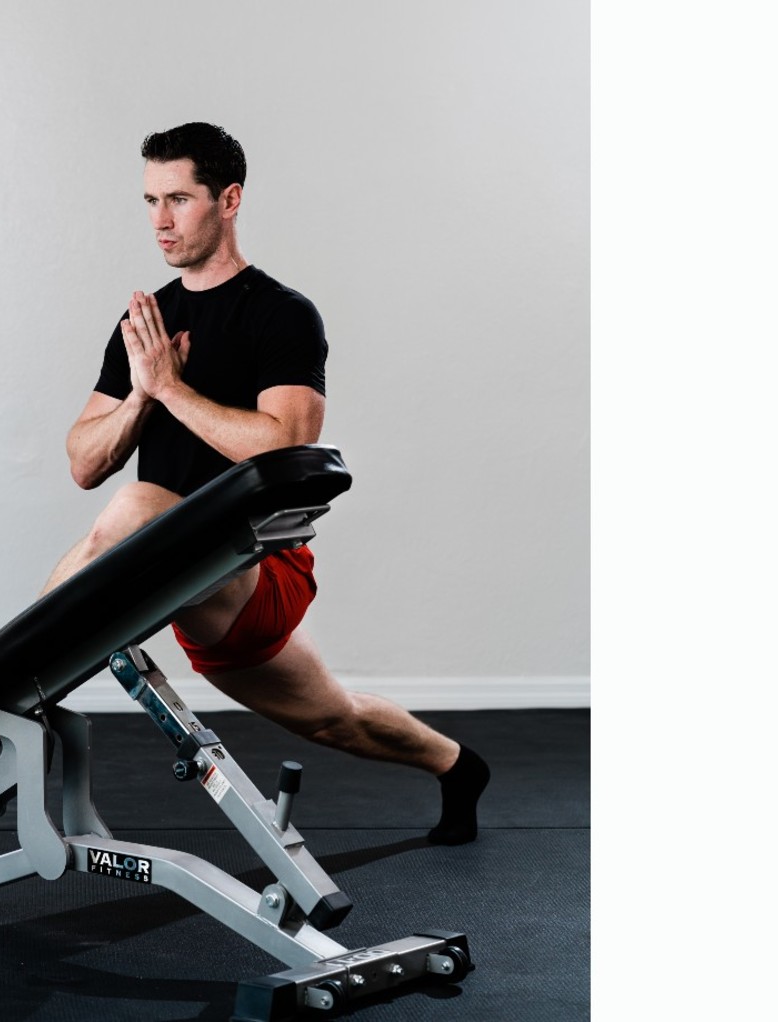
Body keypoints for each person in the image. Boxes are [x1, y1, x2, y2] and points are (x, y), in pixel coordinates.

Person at [42, 122, 489, 845]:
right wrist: (139, 397)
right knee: (333, 717)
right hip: (174, 581)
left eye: (180, 199)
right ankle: (458, 765)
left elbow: (287, 441)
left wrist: (172, 389)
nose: (160, 220)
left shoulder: (281, 314)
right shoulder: (143, 323)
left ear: (229, 199)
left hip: (253, 566)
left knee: (141, 503)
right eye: (151, 200)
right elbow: (83, 461)